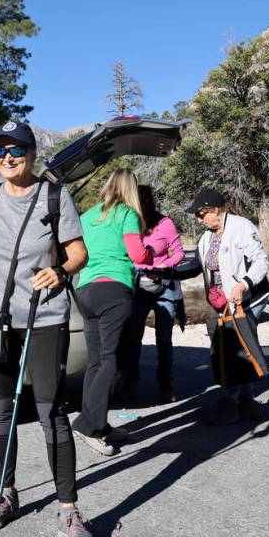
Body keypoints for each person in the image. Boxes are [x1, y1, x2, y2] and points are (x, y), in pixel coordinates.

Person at [0, 120, 96, 537]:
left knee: (51, 411)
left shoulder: (55, 196)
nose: (7, 158)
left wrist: (60, 270)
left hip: (44, 316)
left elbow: (79, 253)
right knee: (0, 409)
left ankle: (68, 510)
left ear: (33, 154)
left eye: (16, 150)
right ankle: (5, 494)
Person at [71, 169, 152, 456]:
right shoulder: (126, 214)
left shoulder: (87, 215)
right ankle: (89, 425)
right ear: (129, 189)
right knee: (112, 362)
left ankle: (98, 422)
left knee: (96, 361)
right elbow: (138, 255)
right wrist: (151, 250)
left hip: (86, 290)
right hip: (114, 291)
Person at [186, 189, 269, 425]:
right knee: (234, 348)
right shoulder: (207, 238)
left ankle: (230, 404)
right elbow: (196, 266)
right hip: (223, 302)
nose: (198, 219)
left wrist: (244, 284)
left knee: (235, 347)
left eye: (201, 214)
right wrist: (165, 273)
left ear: (215, 210)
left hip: (248, 297)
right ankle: (246, 402)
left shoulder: (240, 227)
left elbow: (260, 261)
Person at [125, 184, 186, 404]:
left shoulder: (165, 223)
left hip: (163, 287)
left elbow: (179, 253)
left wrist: (163, 267)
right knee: (133, 338)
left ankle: (166, 384)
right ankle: (130, 382)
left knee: (164, 339)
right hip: (137, 288)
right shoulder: (129, 223)